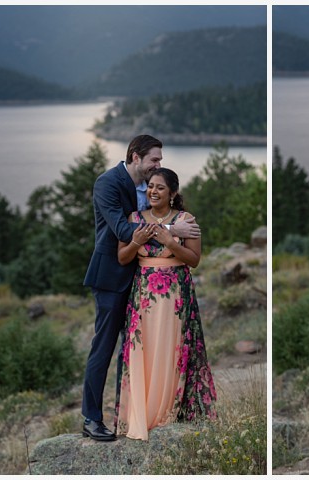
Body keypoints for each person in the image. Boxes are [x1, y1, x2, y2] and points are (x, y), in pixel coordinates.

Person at [81, 134, 200, 442]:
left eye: (160, 161)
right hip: (111, 277)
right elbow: (122, 229)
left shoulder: (148, 189)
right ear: (135, 156)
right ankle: (91, 418)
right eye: (154, 160)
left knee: (135, 352)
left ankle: (131, 416)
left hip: (144, 284)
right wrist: (173, 230)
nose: (158, 165)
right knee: (103, 348)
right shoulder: (107, 183)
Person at [113, 168, 216, 440]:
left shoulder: (186, 220)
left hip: (175, 296)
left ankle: (168, 412)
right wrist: (136, 241)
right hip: (143, 296)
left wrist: (170, 241)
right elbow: (123, 258)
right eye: (150, 187)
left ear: (172, 193)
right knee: (143, 351)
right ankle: (141, 414)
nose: (153, 192)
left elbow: (194, 259)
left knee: (171, 351)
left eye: (160, 187)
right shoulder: (134, 219)